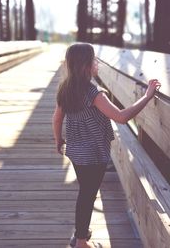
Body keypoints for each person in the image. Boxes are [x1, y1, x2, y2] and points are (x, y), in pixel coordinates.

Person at [52, 43, 161, 248]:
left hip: (76, 152)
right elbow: (121, 117)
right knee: (88, 194)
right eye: (94, 60)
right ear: (86, 65)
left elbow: (57, 119)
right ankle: (81, 241)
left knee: (86, 191)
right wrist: (147, 97)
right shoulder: (94, 94)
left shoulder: (65, 90)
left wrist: (58, 140)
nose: (97, 63)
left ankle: (81, 233)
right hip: (94, 153)